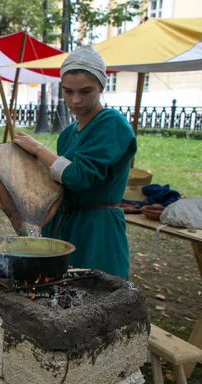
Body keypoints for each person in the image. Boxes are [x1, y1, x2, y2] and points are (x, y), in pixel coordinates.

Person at [12, 46, 137, 280]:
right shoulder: (68, 134)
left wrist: (38, 149)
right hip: (63, 224)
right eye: (68, 91)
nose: (75, 100)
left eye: (86, 91)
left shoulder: (112, 124)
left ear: (101, 86)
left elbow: (78, 176)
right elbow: (59, 180)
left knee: (96, 294)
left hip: (97, 230)